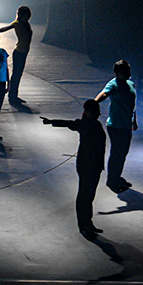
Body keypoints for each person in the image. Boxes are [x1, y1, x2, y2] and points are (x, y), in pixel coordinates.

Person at [42, 100, 107, 238]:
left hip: (94, 166)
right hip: (87, 165)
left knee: (89, 195)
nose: (97, 114)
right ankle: (84, 224)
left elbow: (68, 123)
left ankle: (87, 222)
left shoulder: (94, 124)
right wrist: (51, 121)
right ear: (88, 112)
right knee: (85, 195)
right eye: (95, 112)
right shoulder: (85, 124)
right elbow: (67, 123)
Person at [95, 59, 139, 193]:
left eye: (129, 70)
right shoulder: (113, 84)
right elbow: (104, 93)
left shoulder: (130, 84)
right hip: (115, 125)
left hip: (126, 125)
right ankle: (112, 180)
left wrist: (134, 120)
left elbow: (133, 104)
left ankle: (116, 176)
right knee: (117, 153)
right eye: (125, 71)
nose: (128, 73)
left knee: (123, 153)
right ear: (118, 73)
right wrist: (94, 103)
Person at [0, 6, 33, 105]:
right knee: (16, 74)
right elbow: (6, 28)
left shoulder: (26, 24)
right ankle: (12, 96)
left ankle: (14, 95)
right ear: (21, 15)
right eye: (25, 15)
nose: (27, 17)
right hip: (19, 52)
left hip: (23, 52)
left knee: (18, 74)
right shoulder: (17, 23)